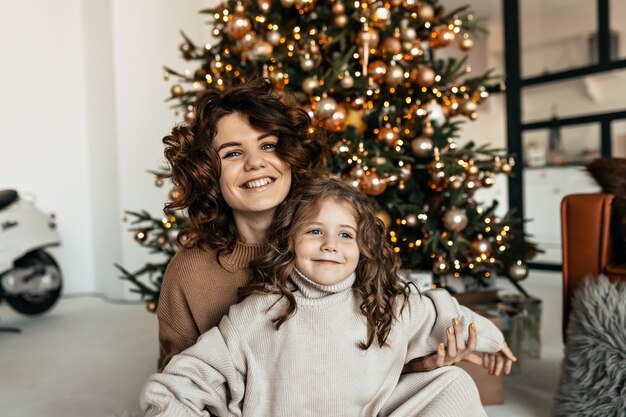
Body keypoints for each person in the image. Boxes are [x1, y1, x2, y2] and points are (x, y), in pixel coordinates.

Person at [156, 77, 482, 374]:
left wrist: (428, 361)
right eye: (232, 153)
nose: (255, 162)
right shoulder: (190, 273)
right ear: (207, 173)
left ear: (290, 156)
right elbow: (183, 378)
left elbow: (370, 358)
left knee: (450, 381)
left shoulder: (337, 244)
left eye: (268, 146)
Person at [141, 177, 516, 417]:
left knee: (452, 383)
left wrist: (490, 340)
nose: (330, 246)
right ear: (289, 240)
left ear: (363, 247)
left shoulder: (382, 303)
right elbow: (193, 373)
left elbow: (441, 311)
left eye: (345, 235)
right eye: (315, 231)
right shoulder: (256, 313)